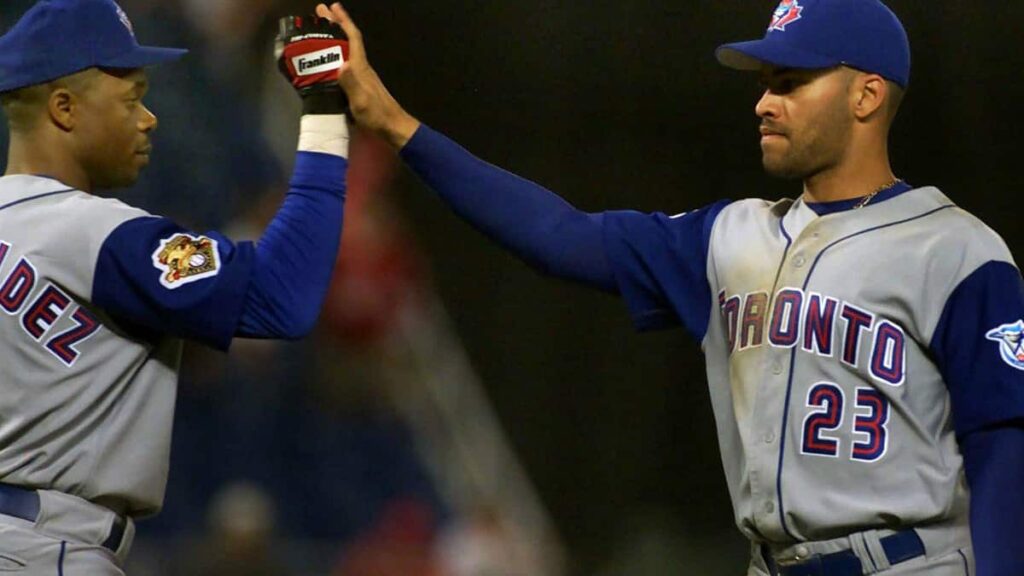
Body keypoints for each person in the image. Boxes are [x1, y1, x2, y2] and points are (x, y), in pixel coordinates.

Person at [319, 0, 1024, 574]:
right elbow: (558, 236)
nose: (764, 103)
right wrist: (395, 124)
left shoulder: (956, 250)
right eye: (764, 83)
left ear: (867, 94)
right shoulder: (726, 239)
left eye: (790, 82)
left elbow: (1002, 445)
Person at [0, 0, 351, 573]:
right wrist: (325, 113)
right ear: (63, 109)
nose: (149, 118)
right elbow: (285, 296)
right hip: (42, 552)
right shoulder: (102, 236)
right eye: (131, 98)